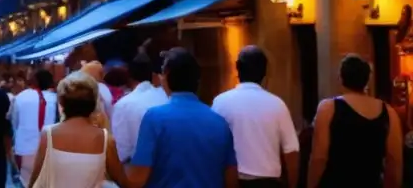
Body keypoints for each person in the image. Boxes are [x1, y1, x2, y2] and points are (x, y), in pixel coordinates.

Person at [127, 47, 237, 188]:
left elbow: (137, 179)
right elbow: (231, 180)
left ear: (166, 76)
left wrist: (115, 170)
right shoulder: (219, 123)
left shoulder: (154, 119)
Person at [307, 53, 403, 188]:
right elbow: (394, 160)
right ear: (367, 79)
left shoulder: (328, 108)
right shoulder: (389, 112)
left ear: (341, 78)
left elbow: (319, 157)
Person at [212, 46, 300, 188]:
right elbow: (291, 152)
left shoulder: (220, 103)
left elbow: (212, 146)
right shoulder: (277, 105)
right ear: (265, 72)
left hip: (232, 181)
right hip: (269, 183)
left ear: (237, 68)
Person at [26, 72, 127, 188]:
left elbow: (34, 179)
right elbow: (122, 181)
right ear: (94, 102)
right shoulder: (105, 139)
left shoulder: (48, 134)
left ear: (62, 102)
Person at [110, 48, 167, 165]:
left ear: (129, 77)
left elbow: (122, 152)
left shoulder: (123, 105)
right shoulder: (166, 97)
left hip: (138, 172)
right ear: (153, 75)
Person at [12, 68, 59, 185]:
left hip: (24, 148)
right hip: (49, 149)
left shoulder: (21, 97)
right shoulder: (57, 99)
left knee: (26, 182)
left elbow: (14, 123)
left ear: (35, 81)